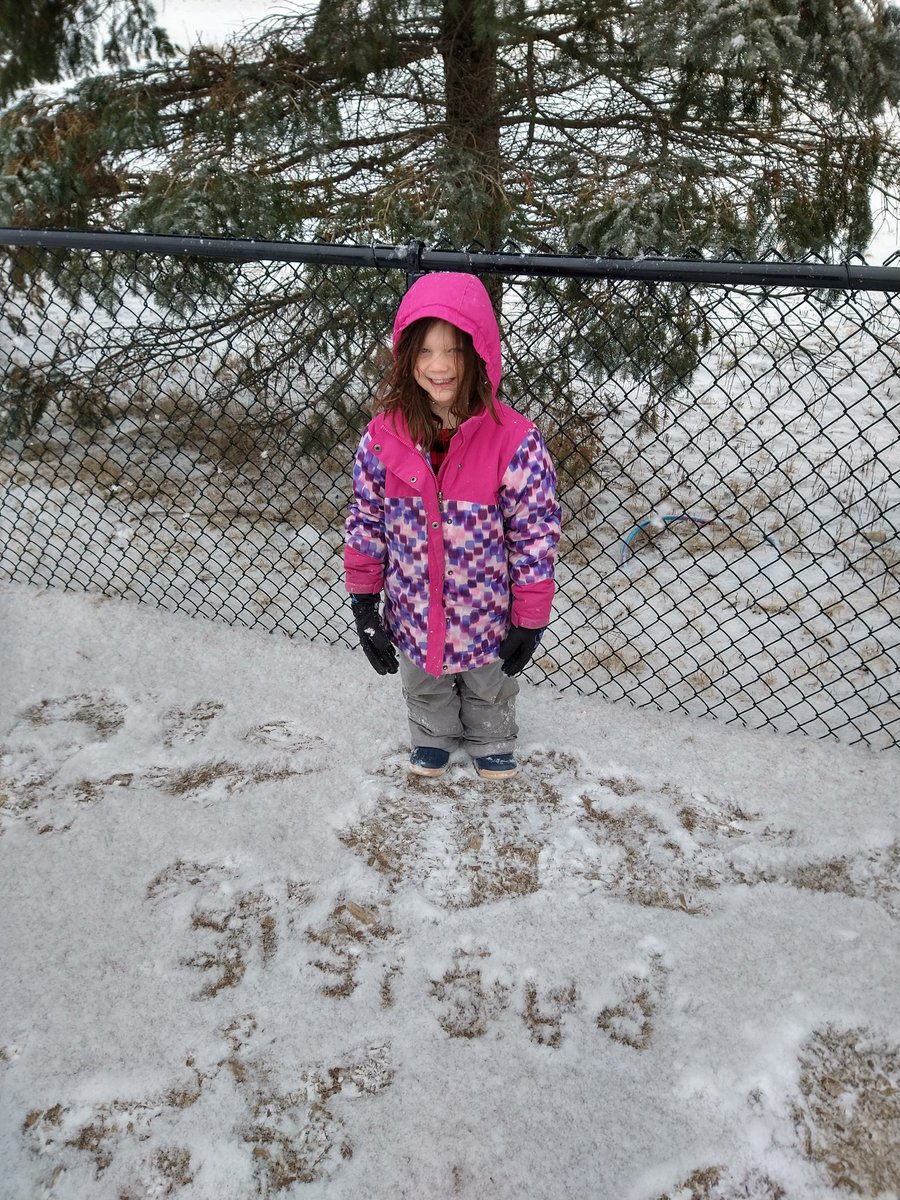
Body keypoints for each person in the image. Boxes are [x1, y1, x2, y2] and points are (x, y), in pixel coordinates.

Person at [344, 272, 560, 780]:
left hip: (485, 610)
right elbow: (367, 519)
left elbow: (534, 534)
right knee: (423, 680)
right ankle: (433, 733)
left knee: (489, 680)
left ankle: (490, 733)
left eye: (454, 351)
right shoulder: (383, 437)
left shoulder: (514, 441)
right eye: (424, 352)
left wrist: (529, 617)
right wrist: (364, 599)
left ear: (480, 353)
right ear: (405, 358)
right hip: (413, 608)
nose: (438, 367)